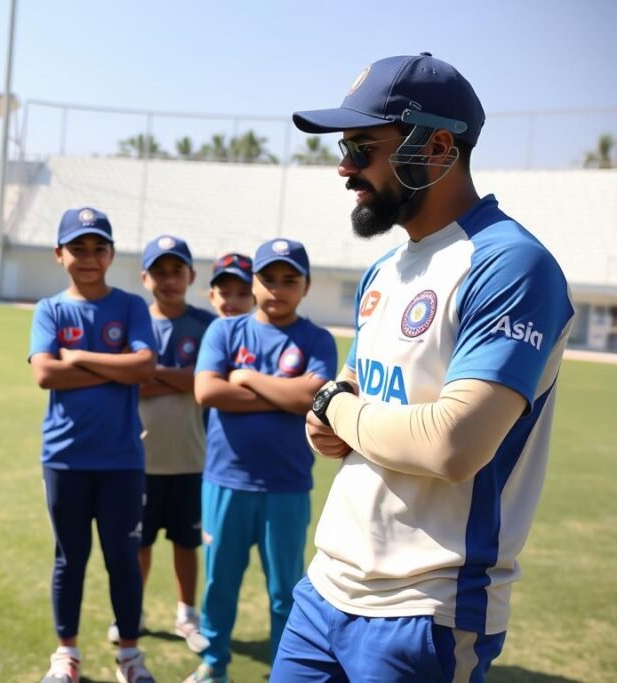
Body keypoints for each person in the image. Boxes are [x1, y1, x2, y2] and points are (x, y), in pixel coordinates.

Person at [272, 53, 574, 682]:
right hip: (325, 586)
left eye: (363, 147)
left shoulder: (511, 265)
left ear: (437, 146)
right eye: (345, 147)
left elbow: (452, 445)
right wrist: (327, 424)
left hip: (427, 609)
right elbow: (353, 396)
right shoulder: (385, 271)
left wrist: (337, 409)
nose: (345, 166)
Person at [187, 238, 337, 683]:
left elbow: (312, 398)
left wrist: (249, 378)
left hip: (286, 486)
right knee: (219, 586)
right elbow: (208, 392)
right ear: (254, 283)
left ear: (306, 286)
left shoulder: (316, 338)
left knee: (283, 591)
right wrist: (283, 395)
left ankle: (285, 670)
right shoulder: (225, 331)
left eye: (290, 279)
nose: (278, 288)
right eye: (268, 279)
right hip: (225, 481)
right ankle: (214, 665)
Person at [29, 207, 158, 683]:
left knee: (122, 557)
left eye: (97, 247)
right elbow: (44, 373)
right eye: (77, 248)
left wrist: (79, 356)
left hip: (122, 458)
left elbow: (144, 367)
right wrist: (114, 363)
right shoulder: (50, 309)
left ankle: (129, 655)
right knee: (70, 557)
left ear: (111, 253)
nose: (88, 257)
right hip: (64, 457)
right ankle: (66, 655)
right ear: (59, 254)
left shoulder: (129, 306)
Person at [110, 234, 214, 653]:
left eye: (176, 271)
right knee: (139, 544)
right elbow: (126, 383)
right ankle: (131, 613)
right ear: (144, 277)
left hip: (192, 457)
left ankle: (187, 615)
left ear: (190, 276)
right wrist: (179, 378)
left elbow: (205, 382)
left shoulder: (207, 325)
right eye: (159, 271)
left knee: (187, 545)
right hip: (138, 460)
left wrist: (155, 375)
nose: (168, 280)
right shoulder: (136, 323)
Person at [207, 253, 256, 318]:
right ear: (212, 297)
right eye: (225, 293)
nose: (232, 301)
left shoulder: (266, 327)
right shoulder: (200, 326)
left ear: (256, 299)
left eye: (243, 294)